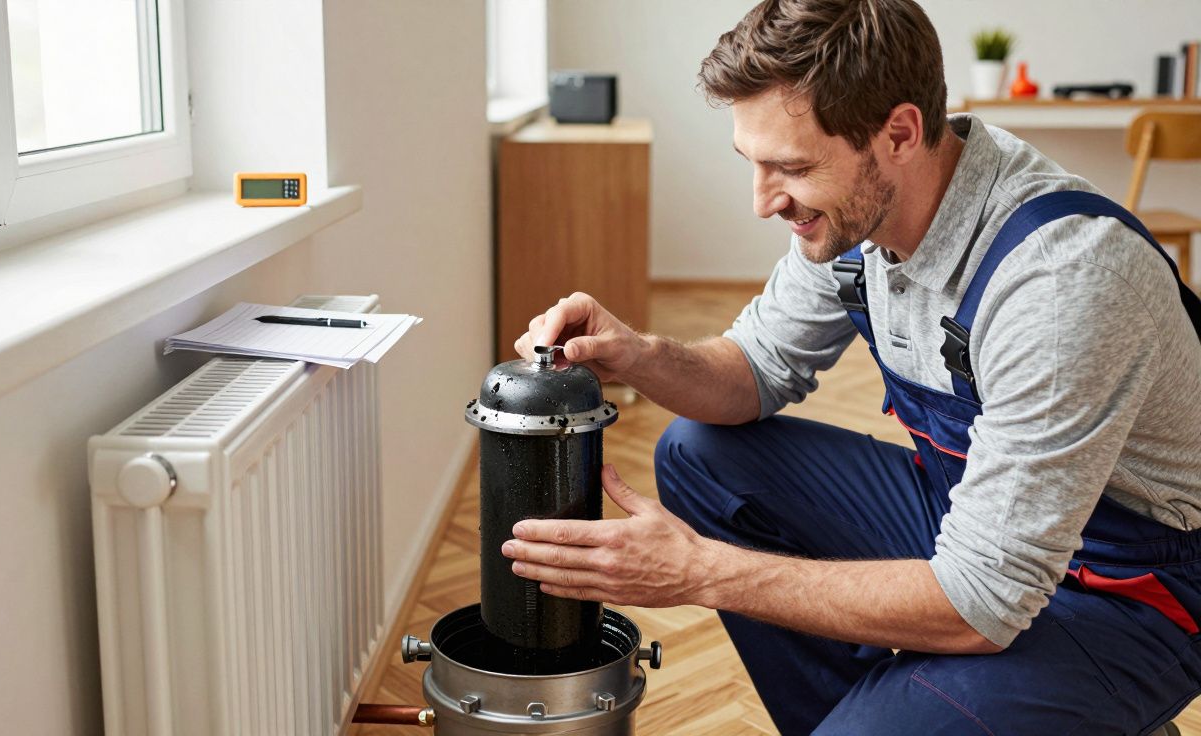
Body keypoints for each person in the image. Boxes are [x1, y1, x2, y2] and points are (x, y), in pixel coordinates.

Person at [497, 0, 1201, 733]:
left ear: (899, 133)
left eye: (792, 168)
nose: (763, 201)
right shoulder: (857, 223)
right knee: (698, 453)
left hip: (1132, 592)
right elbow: (751, 371)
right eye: (755, 163)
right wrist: (638, 356)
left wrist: (698, 571)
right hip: (981, 519)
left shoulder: (1061, 281)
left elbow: (985, 601)